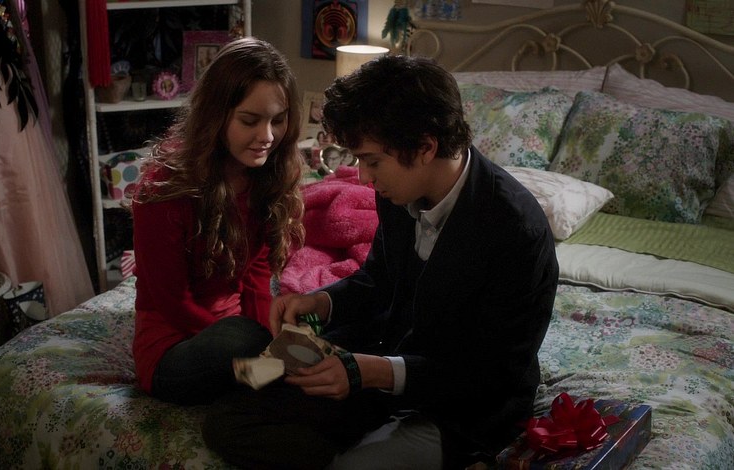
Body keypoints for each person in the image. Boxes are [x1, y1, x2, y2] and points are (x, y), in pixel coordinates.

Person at [202, 54, 559, 469]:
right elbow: (380, 280)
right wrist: (321, 302)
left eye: (372, 161)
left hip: (464, 409)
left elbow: (490, 375)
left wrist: (369, 373)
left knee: (352, 465)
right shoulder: (399, 191)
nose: (364, 178)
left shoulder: (514, 230)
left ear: (425, 147)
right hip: (380, 361)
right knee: (233, 407)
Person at [131, 37, 305, 406]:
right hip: (174, 350)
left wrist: (271, 343)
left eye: (278, 120)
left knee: (299, 349)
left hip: (238, 342)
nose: (267, 136)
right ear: (216, 115)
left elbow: (257, 279)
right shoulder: (163, 190)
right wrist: (257, 345)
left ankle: (269, 381)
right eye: (250, 121)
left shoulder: (268, 178)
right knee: (250, 345)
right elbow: (173, 303)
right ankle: (266, 378)